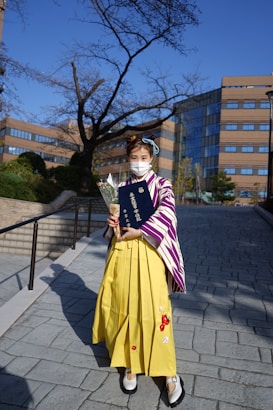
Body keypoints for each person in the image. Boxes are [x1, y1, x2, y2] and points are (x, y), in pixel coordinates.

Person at [92, 135, 186, 408]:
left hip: (149, 251)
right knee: (124, 307)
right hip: (123, 253)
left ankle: (169, 373)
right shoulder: (120, 187)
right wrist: (113, 223)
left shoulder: (162, 185)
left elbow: (168, 212)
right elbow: (116, 224)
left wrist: (142, 231)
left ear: (152, 159)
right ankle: (130, 363)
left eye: (144, 158)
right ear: (128, 159)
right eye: (134, 158)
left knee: (154, 310)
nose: (139, 163)